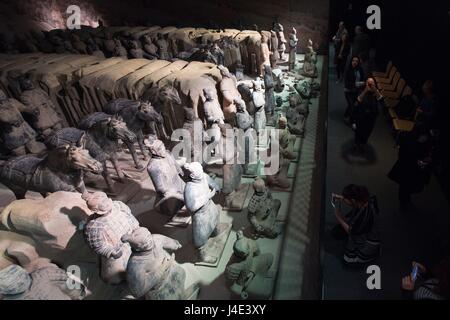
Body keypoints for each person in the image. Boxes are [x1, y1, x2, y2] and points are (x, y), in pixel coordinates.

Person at [331, 184, 381, 265]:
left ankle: (372, 253)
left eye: (346, 199)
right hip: (369, 230)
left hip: (369, 241)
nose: (344, 200)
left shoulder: (363, 216)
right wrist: (342, 198)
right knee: (338, 230)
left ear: (353, 200)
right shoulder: (367, 200)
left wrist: (338, 216)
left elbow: (351, 231)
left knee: (347, 261)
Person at [388, 125, 433, 211]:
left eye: (425, 137)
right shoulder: (407, 141)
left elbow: (425, 152)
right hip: (406, 167)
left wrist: (426, 160)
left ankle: (406, 201)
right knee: (405, 186)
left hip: (415, 169)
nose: (424, 139)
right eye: (423, 136)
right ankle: (404, 203)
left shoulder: (424, 142)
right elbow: (402, 156)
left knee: (411, 186)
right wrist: (417, 161)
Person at [351, 78, 383, 152]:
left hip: (371, 117)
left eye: (372, 83)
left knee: (368, 131)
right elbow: (357, 101)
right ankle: (356, 143)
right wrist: (366, 90)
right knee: (358, 131)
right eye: (369, 83)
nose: (371, 85)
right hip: (361, 115)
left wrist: (375, 90)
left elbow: (381, 101)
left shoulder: (376, 92)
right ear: (366, 84)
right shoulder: (362, 90)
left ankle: (363, 143)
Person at [344, 56, 365, 122]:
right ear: (351, 61)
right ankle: (350, 120)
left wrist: (362, 85)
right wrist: (358, 84)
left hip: (357, 91)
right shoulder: (348, 70)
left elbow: (363, 78)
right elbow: (347, 83)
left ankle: (346, 116)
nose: (355, 62)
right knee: (351, 105)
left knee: (354, 105)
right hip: (349, 91)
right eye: (353, 61)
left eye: (356, 61)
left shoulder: (360, 69)